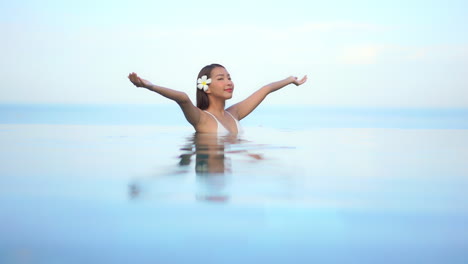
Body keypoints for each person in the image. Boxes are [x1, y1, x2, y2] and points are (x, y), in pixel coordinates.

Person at [128, 63, 307, 134]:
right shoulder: (201, 118)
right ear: (207, 87)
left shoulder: (233, 114)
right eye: (221, 79)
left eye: (229, 77)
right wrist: (149, 86)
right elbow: (182, 98)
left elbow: (266, 89)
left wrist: (290, 80)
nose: (228, 82)